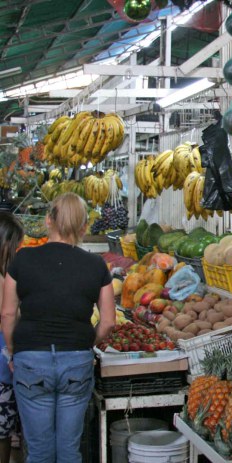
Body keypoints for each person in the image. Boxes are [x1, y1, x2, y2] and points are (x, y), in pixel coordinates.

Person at [1, 193, 116, 463]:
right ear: (84, 228)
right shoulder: (96, 265)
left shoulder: (22, 260)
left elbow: (7, 313)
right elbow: (109, 321)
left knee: (39, 451)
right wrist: (88, 343)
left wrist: (12, 350)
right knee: (68, 450)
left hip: (30, 360)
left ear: (48, 220)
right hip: (76, 360)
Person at [0, 213, 23, 463]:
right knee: (2, 431)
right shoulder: (2, 280)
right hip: (2, 367)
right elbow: (8, 314)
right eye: (15, 246)